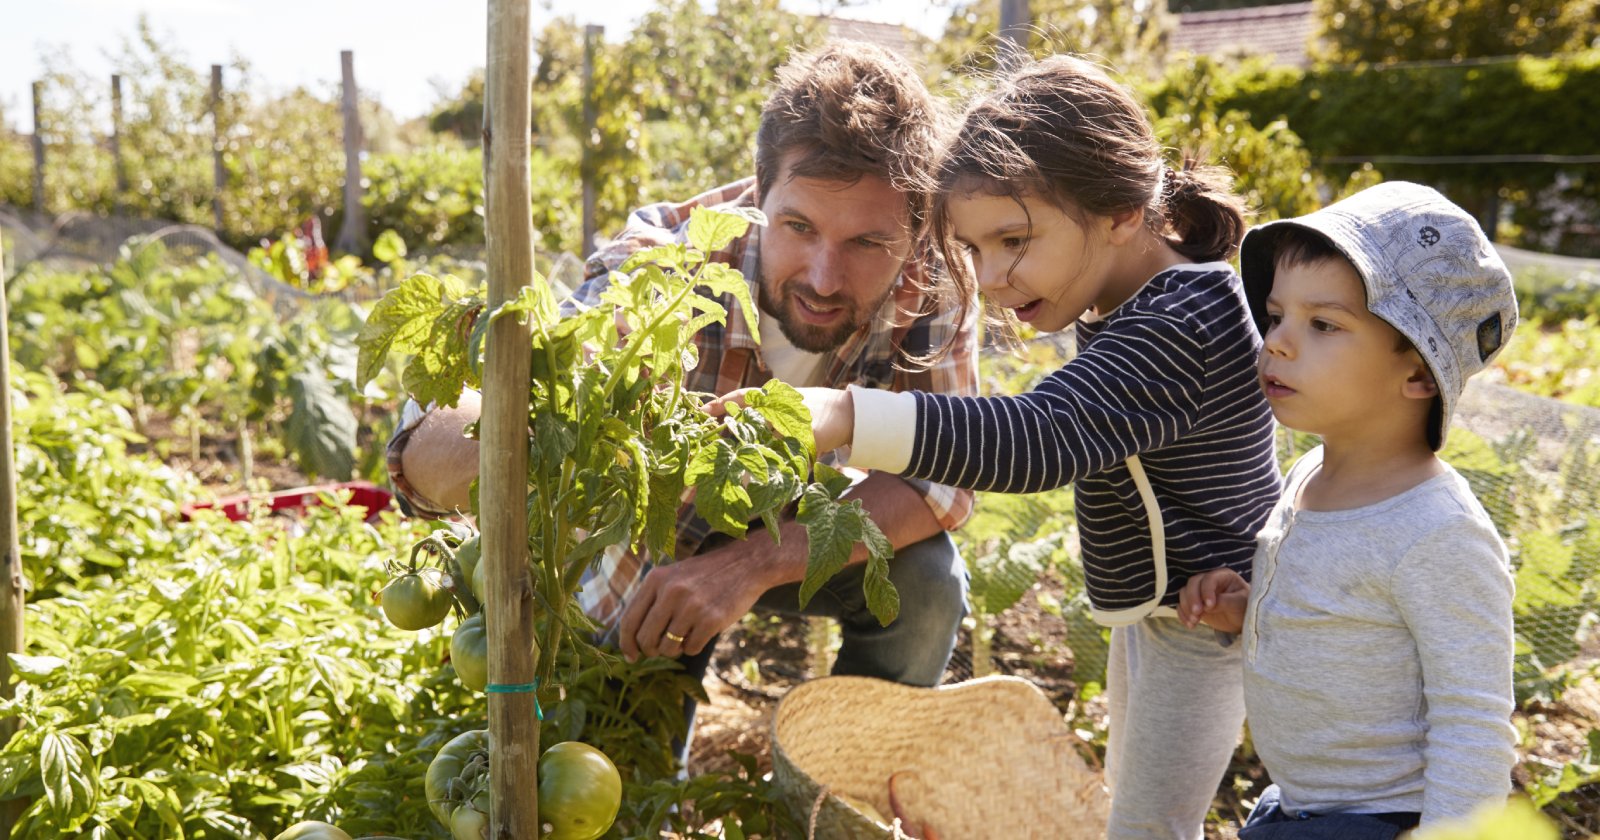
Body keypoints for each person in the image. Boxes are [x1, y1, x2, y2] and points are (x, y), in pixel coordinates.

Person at [730, 56, 1284, 839]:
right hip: (1176, 614)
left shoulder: (1180, 323)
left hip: (1207, 623)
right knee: (1139, 811)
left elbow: (1036, 440)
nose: (988, 278)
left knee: (1149, 829)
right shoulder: (1141, 301)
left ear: (1121, 211)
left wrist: (849, 416)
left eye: (1012, 241)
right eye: (974, 248)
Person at [386, 40, 979, 738]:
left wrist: (754, 562)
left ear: (912, 234)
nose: (823, 277)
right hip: (654, 548)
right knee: (627, 760)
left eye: (866, 244)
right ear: (760, 194)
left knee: (928, 582)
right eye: (799, 227)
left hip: (795, 527)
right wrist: (479, 446)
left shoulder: (931, 283)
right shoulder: (667, 266)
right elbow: (470, 419)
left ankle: (846, 783)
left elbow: (942, 480)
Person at [1177, 181, 1519, 838]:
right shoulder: (1309, 473)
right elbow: (1344, 626)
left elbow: (1473, 729)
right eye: (1276, 316)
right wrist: (1247, 612)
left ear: (1418, 372)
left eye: (1323, 324)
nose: (1276, 341)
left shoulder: (1437, 533)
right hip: (1296, 808)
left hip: (1379, 821)